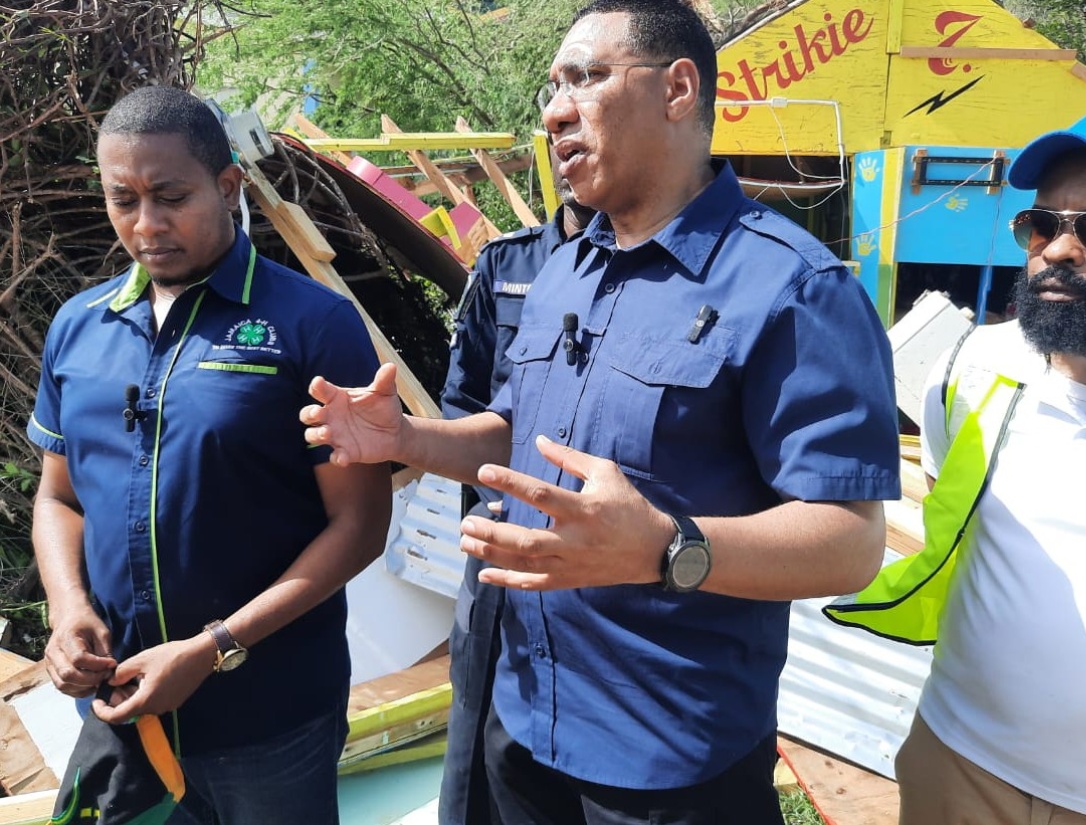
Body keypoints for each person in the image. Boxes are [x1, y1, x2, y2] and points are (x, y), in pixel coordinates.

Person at [302, 1, 900, 822]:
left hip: (672, 760)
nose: (552, 110)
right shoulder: (565, 271)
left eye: (583, 78)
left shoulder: (794, 289)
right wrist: (408, 438)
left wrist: (666, 545)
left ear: (678, 89)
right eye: (553, 86)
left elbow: (851, 542)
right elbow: (517, 433)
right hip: (525, 723)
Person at [826, 98, 1086, 824]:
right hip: (958, 767)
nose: (1058, 249)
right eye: (1043, 224)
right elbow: (950, 509)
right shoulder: (974, 365)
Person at [28, 86, 392, 825]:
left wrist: (213, 647)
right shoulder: (79, 327)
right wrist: (67, 611)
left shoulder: (310, 324)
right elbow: (57, 497)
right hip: (124, 714)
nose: (146, 224)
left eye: (171, 196)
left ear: (227, 187)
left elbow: (358, 525)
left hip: (272, 725)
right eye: (122, 199)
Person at [439, 173, 595, 825]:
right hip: (503, 532)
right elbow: (464, 395)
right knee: (481, 708)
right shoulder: (507, 261)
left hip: (600, 550)